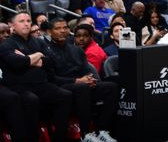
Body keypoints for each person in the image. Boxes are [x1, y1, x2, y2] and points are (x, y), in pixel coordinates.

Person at [0, 12, 72, 142]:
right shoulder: (7, 44)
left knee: (65, 95)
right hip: (19, 86)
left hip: (41, 84)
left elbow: (52, 61)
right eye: (22, 21)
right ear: (13, 25)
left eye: (28, 20)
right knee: (31, 100)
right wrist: (37, 56)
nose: (26, 24)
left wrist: (28, 59)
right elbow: (16, 63)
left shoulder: (38, 41)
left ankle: (59, 137)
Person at [47, 17, 118, 141]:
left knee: (111, 87)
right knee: (82, 87)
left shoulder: (77, 50)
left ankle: (102, 130)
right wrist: (78, 81)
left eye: (64, 28)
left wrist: (91, 79)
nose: (62, 31)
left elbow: (87, 70)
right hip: (62, 86)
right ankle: (86, 134)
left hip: (82, 83)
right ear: (49, 32)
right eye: (57, 28)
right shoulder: (46, 50)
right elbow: (51, 78)